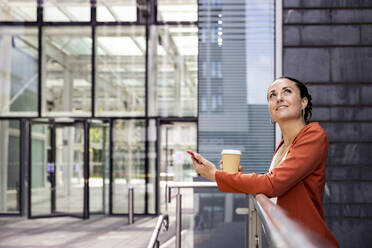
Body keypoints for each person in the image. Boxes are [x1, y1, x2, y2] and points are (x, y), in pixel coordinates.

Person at [190, 76, 339, 247]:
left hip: (305, 240)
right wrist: (237, 176)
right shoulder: (282, 146)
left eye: (287, 91)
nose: (279, 98)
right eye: (272, 95)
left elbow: (273, 183)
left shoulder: (314, 135)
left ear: (303, 102)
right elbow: (272, 187)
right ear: (270, 110)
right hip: (284, 238)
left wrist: (215, 175)